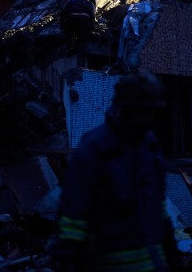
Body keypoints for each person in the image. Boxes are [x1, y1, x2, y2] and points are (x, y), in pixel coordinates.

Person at [49, 70, 181, 271]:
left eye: (153, 112)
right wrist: (67, 260)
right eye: (144, 112)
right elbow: (73, 220)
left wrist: (172, 254)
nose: (149, 120)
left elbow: (159, 205)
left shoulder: (150, 146)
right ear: (124, 109)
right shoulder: (94, 148)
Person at [60, 0, 95, 67]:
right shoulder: (89, 4)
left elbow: (62, 14)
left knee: (69, 33)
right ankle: (81, 60)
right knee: (82, 41)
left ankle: (70, 48)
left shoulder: (70, 1)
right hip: (84, 20)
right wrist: (90, 28)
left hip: (72, 18)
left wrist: (62, 26)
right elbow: (92, 17)